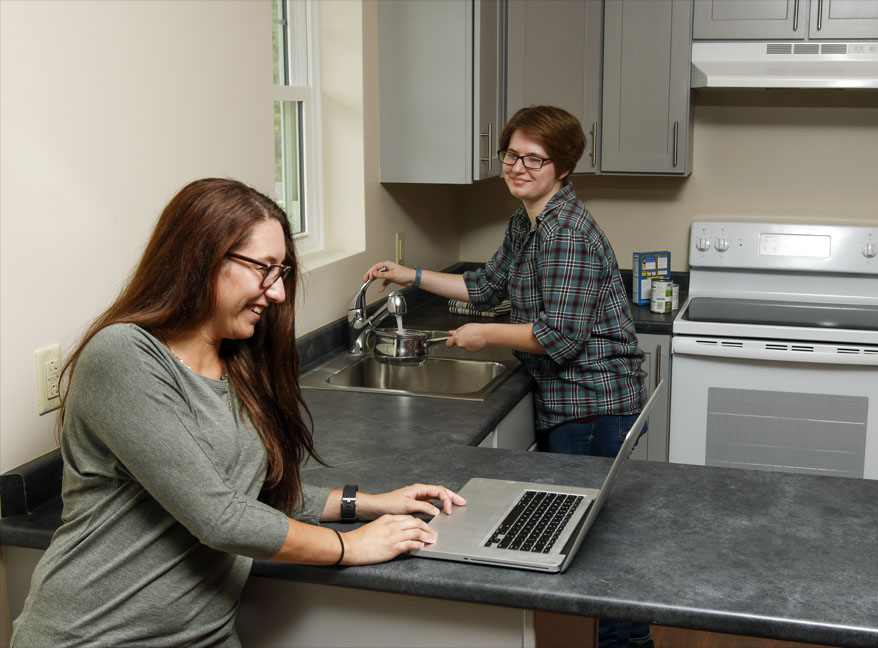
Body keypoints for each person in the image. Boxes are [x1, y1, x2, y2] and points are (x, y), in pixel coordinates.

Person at [12, 178, 465, 647]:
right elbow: (220, 516)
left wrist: (365, 503)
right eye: (263, 269)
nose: (277, 293)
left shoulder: (237, 361)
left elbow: (250, 492)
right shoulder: (123, 355)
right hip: (92, 638)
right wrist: (348, 546)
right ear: (199, 258)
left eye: (281, 272)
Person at [364, 106, 651, 648]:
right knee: (589, 535)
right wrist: (414, 274)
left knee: (596, 547)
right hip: (575, 400)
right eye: (511, 155)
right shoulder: (528, 220)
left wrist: (485, 335)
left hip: (594, 405)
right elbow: (490, 285)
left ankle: (629, 644)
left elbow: (558, 336)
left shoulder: (566, 231)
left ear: (562, 168)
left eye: (533, 159)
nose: (518, 168)